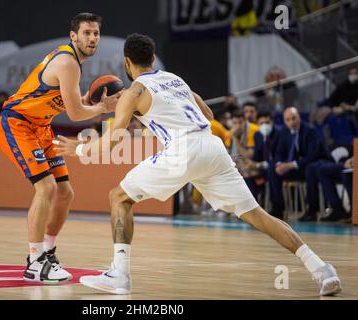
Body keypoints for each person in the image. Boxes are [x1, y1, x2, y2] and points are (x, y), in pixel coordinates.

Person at [56, 33, 341, 296]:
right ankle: (321, 269)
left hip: (183, 151)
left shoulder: (135, 92)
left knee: (118, 197)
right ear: (153, 59)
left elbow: (113, 140)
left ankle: (119, 275)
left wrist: (80, 148)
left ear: (126, 63)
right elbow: (205, 111)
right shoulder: (175, 79)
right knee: (258, 216)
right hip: (211, 146)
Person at [0, 12, 121, 283]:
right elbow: (75, 115)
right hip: (18, 124)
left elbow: (70, 103)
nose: (92, 38)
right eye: (87, 33)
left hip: (41, 127)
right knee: (47, 187)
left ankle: (49, 251)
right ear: (73, 36)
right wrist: (102, 107)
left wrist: (90, 100)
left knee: (65, 192)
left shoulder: (72, 63)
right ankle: (34, 260)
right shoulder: (68, 63)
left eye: (96, 33)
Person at [270, 107, 332, 221]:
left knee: (310, 168)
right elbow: (278, 152)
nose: (291, 122)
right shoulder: (284, 132)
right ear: (284, 121)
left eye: (294, 118)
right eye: (288, 120)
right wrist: (279, 164)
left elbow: (313, 155)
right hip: (297, 167)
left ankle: (312, 210)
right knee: (272, 169)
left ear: (299, 117)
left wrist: (290, 165)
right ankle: (277, 209)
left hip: (315, 165)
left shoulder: (310, 130)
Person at [244, 111, 281, 216]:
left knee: (271, 172)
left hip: (277, 168)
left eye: (267, 122)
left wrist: (258, 165)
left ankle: (277, 208)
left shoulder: (279, 133)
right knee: (247, 175)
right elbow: (257, 156)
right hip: (263, 169)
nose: (264, 125)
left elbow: (279, 157)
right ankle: (252, 209)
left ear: (272, 122)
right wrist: (251, 164)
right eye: (261, 123)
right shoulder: (258, 135)